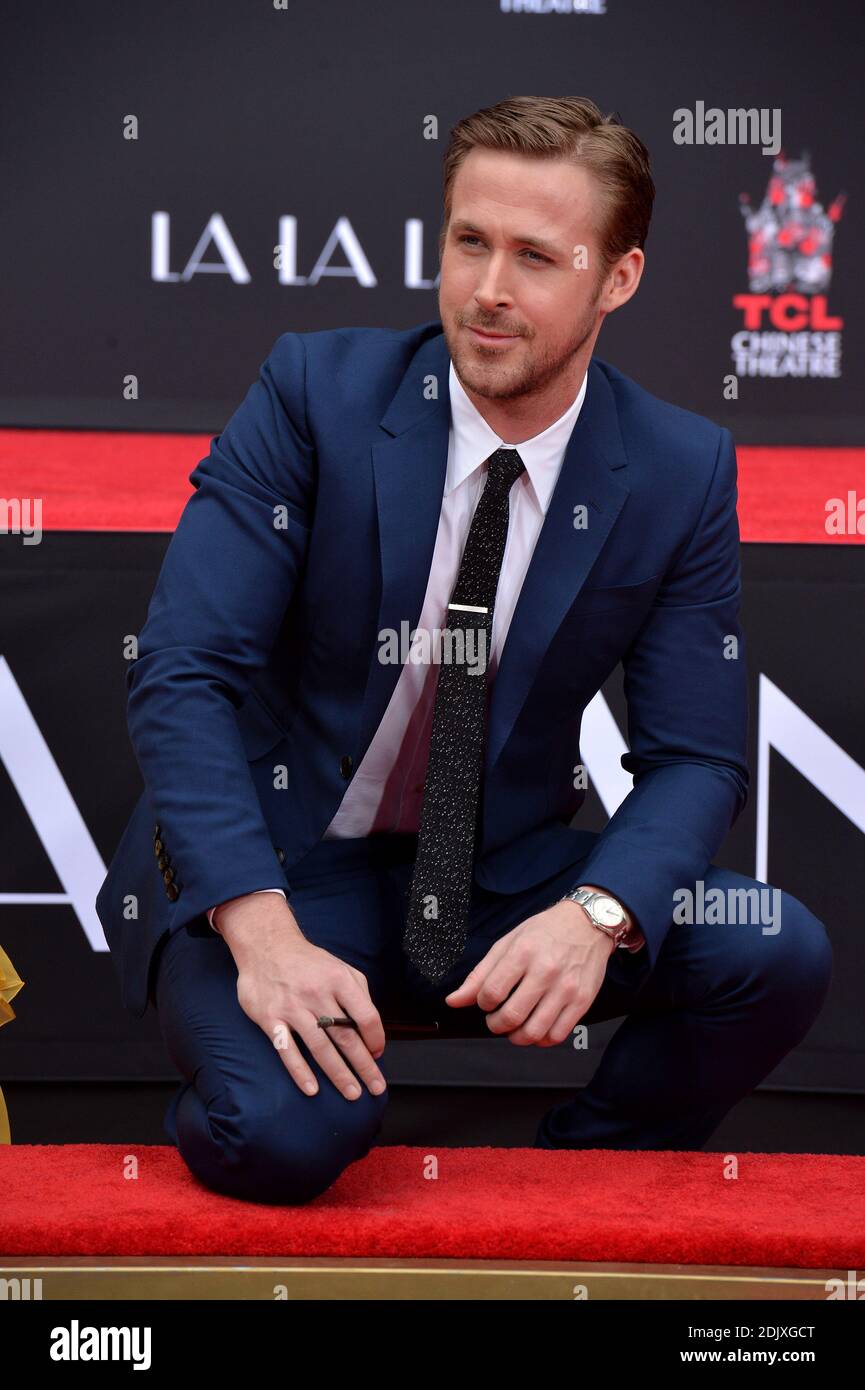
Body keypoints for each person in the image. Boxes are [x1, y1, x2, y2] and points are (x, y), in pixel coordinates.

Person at [96, 95, 832, 1205]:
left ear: (616, 279)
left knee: (774, 948)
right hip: (283, 868)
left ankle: (578, 1183)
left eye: (537, 257)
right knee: (288, 1138)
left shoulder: (680, 470)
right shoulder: (315, 394)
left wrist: (599, 916)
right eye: (468, 242)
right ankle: (251, 1057)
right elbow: (184, 672)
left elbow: (697, 759)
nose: (488, 289)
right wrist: (259, 929)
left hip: (496, 883)